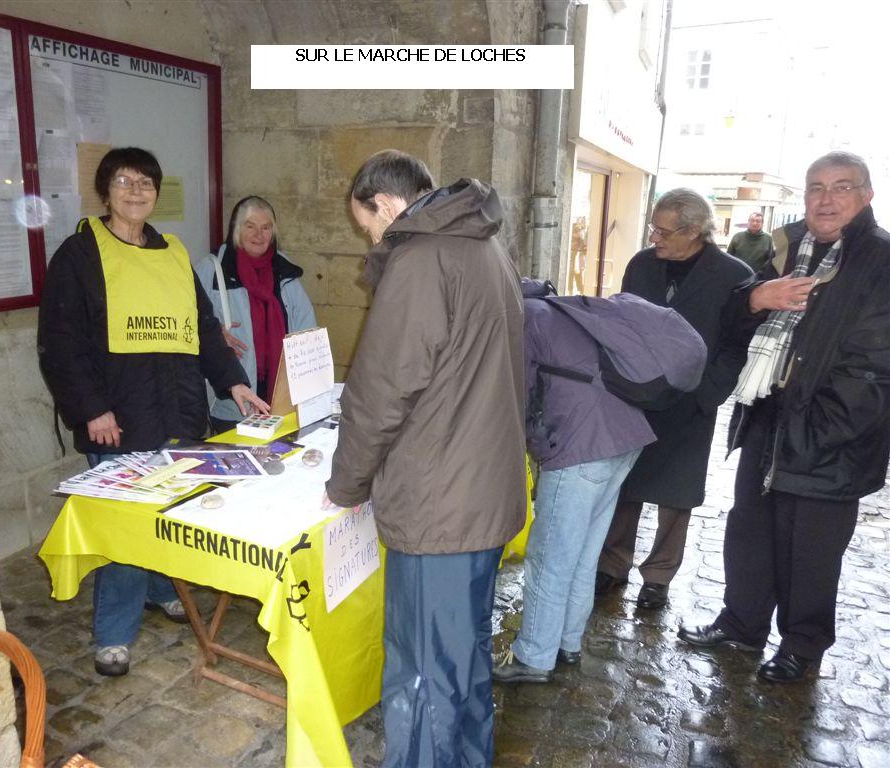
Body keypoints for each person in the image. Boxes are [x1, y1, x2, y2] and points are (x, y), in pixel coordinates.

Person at [325, 150, 527, 767]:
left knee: (422, 673)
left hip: (438, 505)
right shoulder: (484, 246)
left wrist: (344, 486)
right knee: (461, 660)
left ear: (384, 203)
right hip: (479, 486)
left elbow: (380, 389)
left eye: (368, 226)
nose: (373, 238)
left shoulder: (420, 258)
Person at [37, 147, 268, 677]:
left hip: (178, 410)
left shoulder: (172, 253)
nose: (136, 191)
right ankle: (114, 634)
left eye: (146, 182)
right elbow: (61, 342)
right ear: (106, 190)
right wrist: (92, 410)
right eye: (124, 181)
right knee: (127, 529)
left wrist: (232, 383)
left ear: (157, 192)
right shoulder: (79, 255)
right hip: (117, 417)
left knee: (170, 512)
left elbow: (204, 328)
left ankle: (162, 587)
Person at [678, 151, 890, 682]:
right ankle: (744, 624)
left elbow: (876, 365)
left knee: (812, 552)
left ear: (866, 196)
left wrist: (824, 427)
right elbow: (733, 316)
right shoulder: (787, 246)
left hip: (832, 434)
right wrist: (756, 298)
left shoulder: (880, 260)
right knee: (749, 530)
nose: (825, 198)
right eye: (815, 187)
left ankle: (803, 645)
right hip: (769, 415)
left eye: (841, 187)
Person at [491, 279, 656, 684]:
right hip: (623, 436)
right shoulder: (560, 310)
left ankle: (533, 658)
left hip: (582, 445)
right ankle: (567, 644)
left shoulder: (523, 319)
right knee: (582, 552)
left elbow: (519, 395)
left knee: (550, 557)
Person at [595, 188, 754, 610]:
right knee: (624, 485)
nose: (655, 239)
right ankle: (612, 565)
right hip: (637, 394)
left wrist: (708, 394)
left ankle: (659, 577)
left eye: (664, 232)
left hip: (692, 400)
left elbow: (737, 345)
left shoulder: (733, 275)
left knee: (677, 494)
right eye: (653, 229)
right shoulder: (642, 265)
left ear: (695, 232)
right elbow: (621, 321)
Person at [194, 196, 316, 433]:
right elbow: (189, 323)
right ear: (237, 229)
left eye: (266, 227)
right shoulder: (211, 269)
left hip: (279, 397)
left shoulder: (284, 268)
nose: (259, 235)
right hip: (231, 400)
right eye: (250, 226)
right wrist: (214, 332)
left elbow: (306, 326)